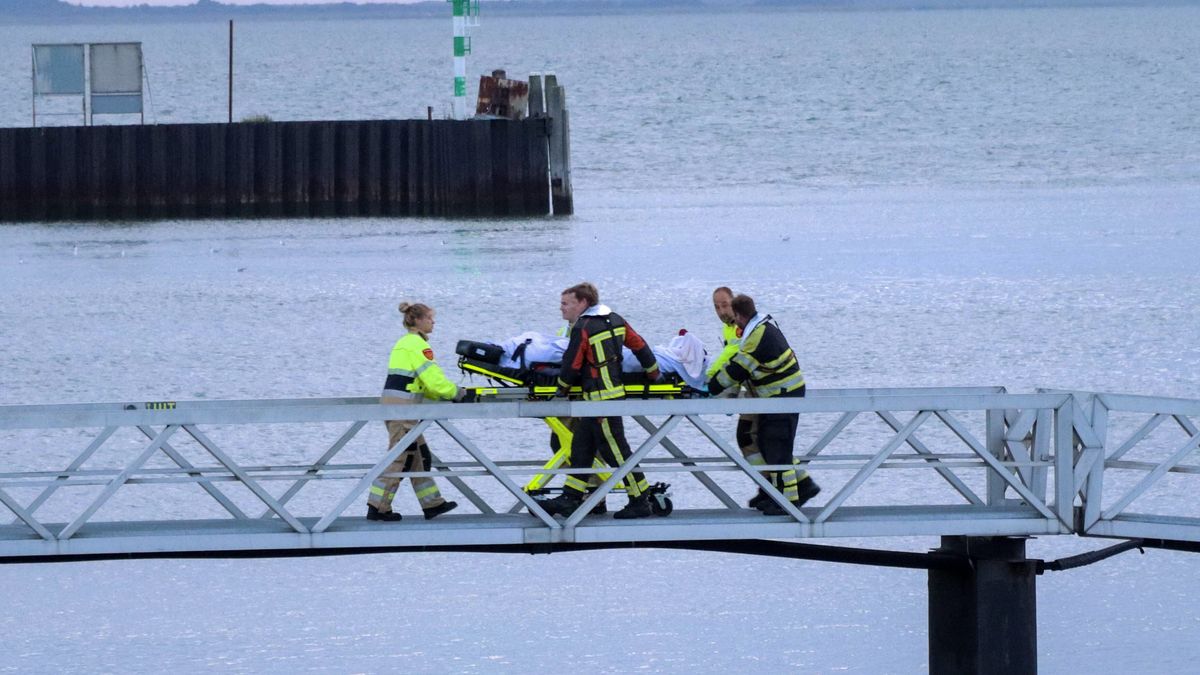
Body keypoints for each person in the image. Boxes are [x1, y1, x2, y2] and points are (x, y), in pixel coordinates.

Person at [535, 283, 663, 519]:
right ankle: (571, 497)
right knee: (581, 448)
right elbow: (640, 345)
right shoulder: (615, 319)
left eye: (566, 303)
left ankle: (640, 498)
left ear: (583, 303)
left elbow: (571, 364)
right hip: (607, 397)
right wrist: (654, 374)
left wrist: (560, 392)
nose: (561, 309)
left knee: (617, 451)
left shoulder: (582, 327)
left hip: (600, 400)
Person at [707, 294, 820, 516]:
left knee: (777, 448)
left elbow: (738, 369)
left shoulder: (755, 338)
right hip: (779, 394)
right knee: (769, 444)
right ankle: (784, 491)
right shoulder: (762, 327)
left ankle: (789, 500)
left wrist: (711, 386)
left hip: (782, 395)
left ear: (739, 315)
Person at [367, 301, 471, 522]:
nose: (434, 322)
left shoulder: (405, 343)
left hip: (398, 405)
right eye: (430, 318)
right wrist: (456, 393)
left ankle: (432, 504)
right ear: (418, 320)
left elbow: (420, 383)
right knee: (400, 456)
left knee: (418, 455)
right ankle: (377, 507)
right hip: (402, 408)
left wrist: (443, 394)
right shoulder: (417, 345)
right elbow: (433, 381)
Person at [706, 286, 766, 510]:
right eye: (716, 306)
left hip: (762, 391)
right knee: (751, 439)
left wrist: (711, 378)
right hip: (753, 389)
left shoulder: (742, 329)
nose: (721, 311)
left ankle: (772, 488)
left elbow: (734, 356)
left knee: (750, 438)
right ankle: (768, 487)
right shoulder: (729, 328)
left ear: (735, 304)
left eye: (724, 305)